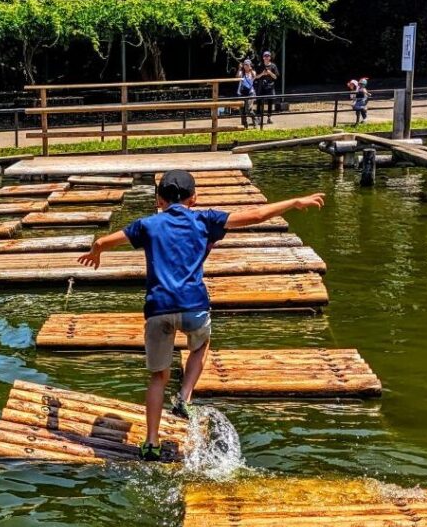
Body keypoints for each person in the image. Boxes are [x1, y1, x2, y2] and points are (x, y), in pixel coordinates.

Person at [77, 170, 325, 461]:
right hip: (194, 306)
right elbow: (256, 215)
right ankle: (183, 398)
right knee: (201, 344)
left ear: (159, 200)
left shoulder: (147, 225)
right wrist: (293, 201)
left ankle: (151, 443)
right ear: (194, 198)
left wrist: (95, 251)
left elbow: (105, 241)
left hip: (158, 310)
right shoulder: (205, 219)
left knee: (158, 377)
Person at [254, 51, 279, 126]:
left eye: (268, 56)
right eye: (265, 56)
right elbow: (256, 77)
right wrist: (262, 74)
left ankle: (269, 117)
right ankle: (258, 118)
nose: (266, 57)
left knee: (270, 102)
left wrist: (270, 73)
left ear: (270, 57)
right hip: (261, 86)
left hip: (270, 86)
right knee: (259, 102)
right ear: (263, 57)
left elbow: (275, 77)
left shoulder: (273, 66)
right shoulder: (259, 65)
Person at [236, 59, 257, 129]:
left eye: (248, 65)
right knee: (242, 111)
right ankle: (245, 125)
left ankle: (255, 120)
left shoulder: (252, 72)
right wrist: (239, 68)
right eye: (245, 64)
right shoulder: (241, 72)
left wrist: (250, 70)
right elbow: (237, 77)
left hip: (250, 93)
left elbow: (254, 77)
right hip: (241, 93)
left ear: (250, 65)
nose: (246, 66)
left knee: (248, 109)